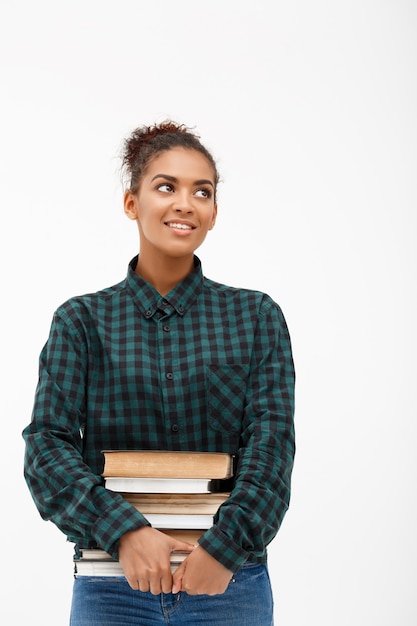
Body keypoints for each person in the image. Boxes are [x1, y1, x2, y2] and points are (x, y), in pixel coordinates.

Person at [22, 121, 295, 625]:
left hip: (229, 584)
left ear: (214, 213)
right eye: (166, 186)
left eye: (202, 191)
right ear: (132, 204)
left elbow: (272, 446)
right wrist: (125, 532)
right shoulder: (81, 321)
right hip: (112, 589)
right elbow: (46, 448)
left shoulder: (255, 316)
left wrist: (224, 548)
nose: (185, 203)